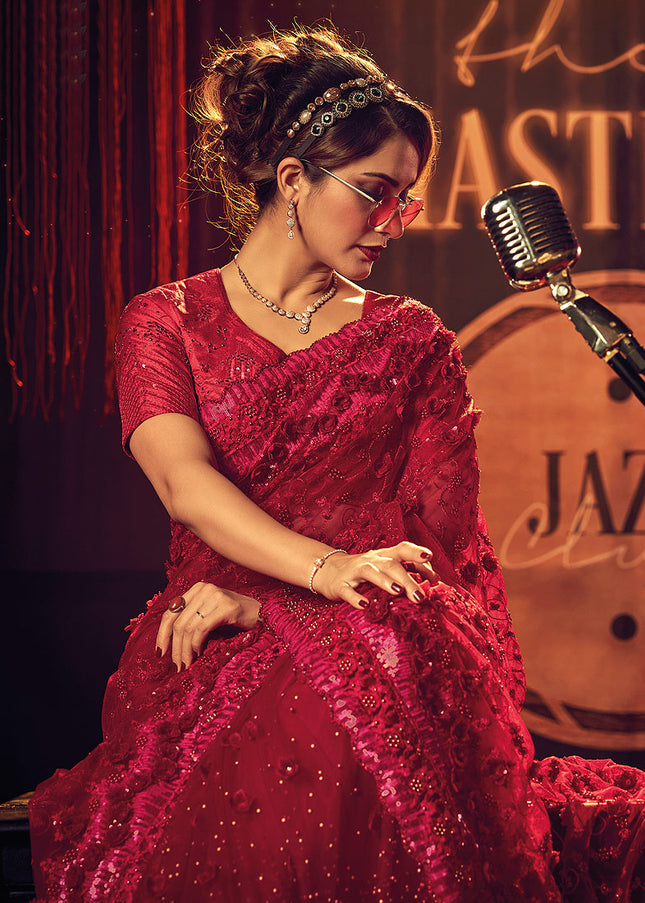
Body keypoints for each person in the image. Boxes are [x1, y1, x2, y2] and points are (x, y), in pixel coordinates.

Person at [29, 23, 645, 903]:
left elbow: (442, 549)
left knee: (356, 700)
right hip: (211, 631)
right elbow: (183, 482)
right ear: (291, 181)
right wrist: (321, 573)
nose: (401, 218)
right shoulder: (165, 322)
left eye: (410, 195)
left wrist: (291, 599)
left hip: (376, 631)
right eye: (378, 192)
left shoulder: (411, 340)